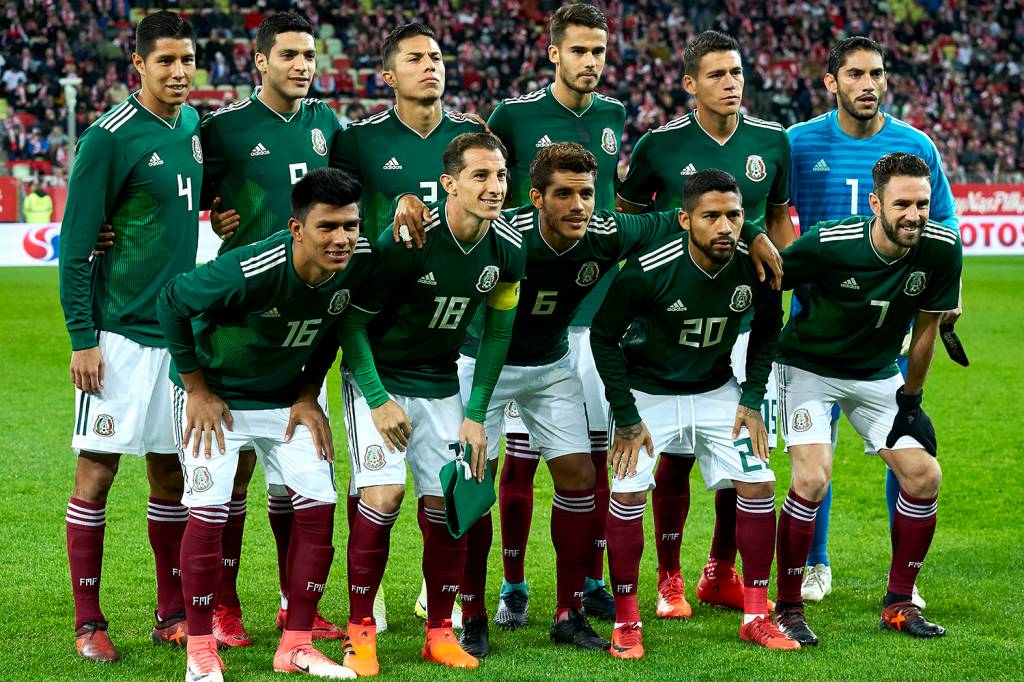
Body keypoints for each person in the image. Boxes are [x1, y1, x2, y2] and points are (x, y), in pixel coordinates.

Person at [453, 143, 780, 657]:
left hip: (550, 366)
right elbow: (451, 218)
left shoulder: (605, 232)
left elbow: (684, 218)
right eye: (563, 195)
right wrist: (410, 204)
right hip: (482, 364)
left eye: (586, 193)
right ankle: (471, 614)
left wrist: (755, 233)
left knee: (581, 479)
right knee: (477, 483)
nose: (578, 205)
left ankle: (568, 612)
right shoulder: (505, 234)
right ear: (536, 197)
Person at [158, 168, 369, 682]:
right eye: (327, 227)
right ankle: (202, 648)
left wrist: (306, 394)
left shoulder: (355, 265)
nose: (342, 239)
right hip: (217, 398)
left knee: (319, 504)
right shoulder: (250, 268)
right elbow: (172, 302)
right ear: (297, 229)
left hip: (283, 399)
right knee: (209, 509)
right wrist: (198, 389)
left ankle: (295, 643)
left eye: (351, 226)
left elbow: (334, 329)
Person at [329, 132, 524, 675]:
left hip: (441, 382)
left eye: (501, 176)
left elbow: (496, 335)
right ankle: (359, 632)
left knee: (450, 505)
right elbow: (351, 320)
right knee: (385, 495)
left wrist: (476, 413)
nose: (494, 187)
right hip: (380, 377)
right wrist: (377, 399)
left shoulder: (508, 248)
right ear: (449, 184)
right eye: (480, 176)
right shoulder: (407, 239)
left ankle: (439, 630)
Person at [616, 29, 793, 617]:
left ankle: (720, 569)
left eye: (738, 72)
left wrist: (778, 274)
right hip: (673, 315)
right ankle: (669, 577)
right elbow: (633, 221)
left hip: (743, 313)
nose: (732, 83)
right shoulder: (658, 147)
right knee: (676, 455)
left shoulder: (772, 141)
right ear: (690, 84)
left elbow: (774, 219)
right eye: (717, 74)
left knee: (739, 449)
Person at [591, 169, 795, 658]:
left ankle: (755, 615)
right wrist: (625, 414)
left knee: (760, 483)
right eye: (711, 216)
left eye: (734, 216)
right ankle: (626, 621)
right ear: (685, 219)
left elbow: (770, 328)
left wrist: (750, 397)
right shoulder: (646, 270)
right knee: (626, 492)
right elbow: (603, 336)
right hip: (647, 394)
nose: (725, 227)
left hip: (716, 389)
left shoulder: (755, 264)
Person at [786, 36, 960, 604]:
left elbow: (945, 227)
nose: (869, 84)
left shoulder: (915, 145)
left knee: (903, 438)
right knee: (818, 454)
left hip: (887, 322)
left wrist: (945, 298)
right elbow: (770, 212)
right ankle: (814, 563)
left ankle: (900, 576)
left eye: (877, 73)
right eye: (856, 74)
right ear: (831, 82)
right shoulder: (799, 143)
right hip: (816, 321)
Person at [329, 23, 485, 626]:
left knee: (444, 480)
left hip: (446, 334)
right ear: (388, 76)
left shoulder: (472, 139)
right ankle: (369, 596)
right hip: (374, 318)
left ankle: (435, 592)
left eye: (438, 57)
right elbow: (333, 208)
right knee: (377, 480)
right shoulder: (360, 141)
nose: (431, 66)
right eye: (416, 58)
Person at [199, 11, 345, 645]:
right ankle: (223, 608)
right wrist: (217, 218)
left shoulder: (326, 125)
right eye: (289, 55)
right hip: (240, 319)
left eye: (309, 55)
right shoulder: (223, 129)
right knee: (232, 473)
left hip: (305, 316)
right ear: (259, 62)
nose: (303, 65)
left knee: (295, 469)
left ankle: (293, 604)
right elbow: (189, 198)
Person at [58, 10, 200, 662]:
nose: (178, 71)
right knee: (97, 471)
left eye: (186, 59)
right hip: (116, 337)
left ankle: (170, 610)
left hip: (175, 339)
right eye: (165, 60)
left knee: (170, 473)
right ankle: (89, 622)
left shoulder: (194, 127)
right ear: (137, 66)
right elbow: (77, 246)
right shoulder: (107, 138)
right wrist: (83, 337)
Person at [773, 152, 960, 646]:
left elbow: (925, 333)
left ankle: (899, 603)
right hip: (807, 367)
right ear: (876, 202)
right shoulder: (830, 242)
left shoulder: (941, 248)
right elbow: (768, 277)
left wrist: (912, 402)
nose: (914, 215)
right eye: (902, 204)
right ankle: (787, 608)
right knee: (811, 478)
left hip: (876, 374)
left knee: (923, 476)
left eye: (922, 204)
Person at [486, 2, 626, 626]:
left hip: (589, 317)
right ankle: (512, 586)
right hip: (516, 322)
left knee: (588, 460)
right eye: (579, 50)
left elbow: (621, 206)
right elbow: (484, 194)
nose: (590, 62)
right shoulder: (512, 117)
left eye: (599, 51)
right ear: (554, 53)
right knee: (516, 462)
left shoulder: (615, 118)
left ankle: (587, 579)